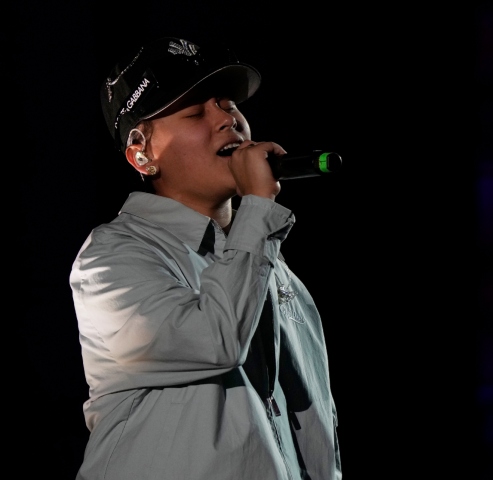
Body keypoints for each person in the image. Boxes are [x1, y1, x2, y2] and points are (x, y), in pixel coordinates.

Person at [69, 36, 341, 480]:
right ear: (142, 153)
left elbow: (314, 429)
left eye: (228, 104)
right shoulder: (111, 258)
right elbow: (213, 341)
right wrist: (258, 210)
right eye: (196, 112)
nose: (226, 119)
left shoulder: (270, 266)